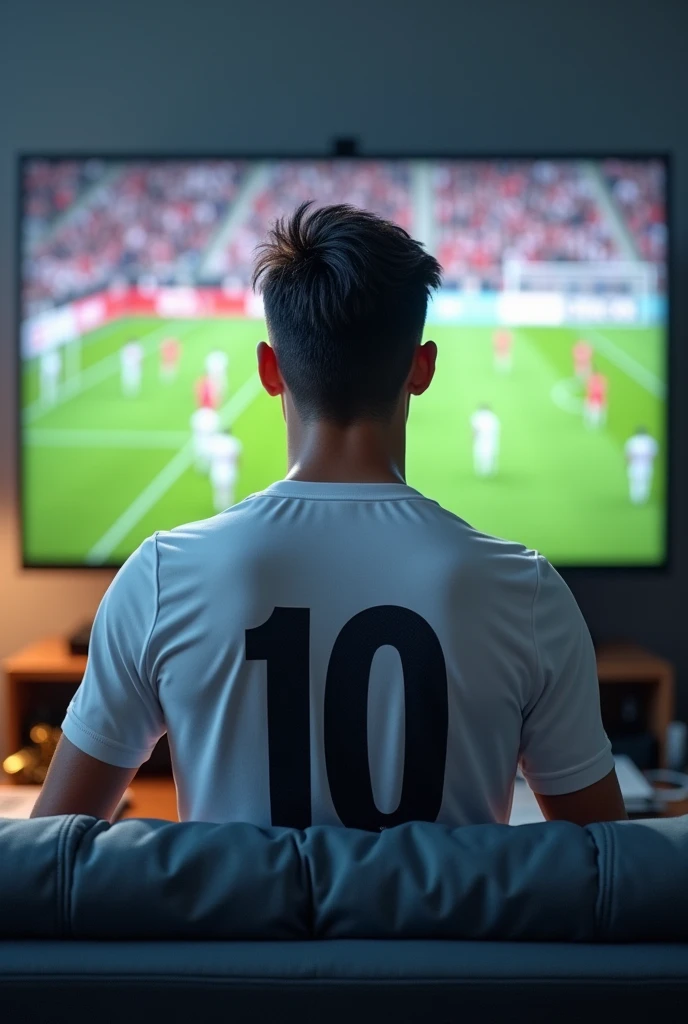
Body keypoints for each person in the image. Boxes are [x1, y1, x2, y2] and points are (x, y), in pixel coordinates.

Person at [32, 201, 626, 830]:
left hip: (233, 932)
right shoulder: (528, 593)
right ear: (422, 370)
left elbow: (47, 858)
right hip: (441, 934)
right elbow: (609, 870)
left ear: (269, 370)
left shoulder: (158, 579)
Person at [208, 429, 242, 511]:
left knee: (219, 490)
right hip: (229, 469)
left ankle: (219, 507)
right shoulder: (233, 442)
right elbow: (237, 457)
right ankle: (228, 507)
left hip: (217, 469)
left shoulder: (215, 443)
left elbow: (209, 457)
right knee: (229, 490)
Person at [625, 427, 659, 505]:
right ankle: (642, 498)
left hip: (635, 464)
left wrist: (627, 463)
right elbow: (654, 455)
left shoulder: (632, 440)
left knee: (635, 481)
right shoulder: (650, 441)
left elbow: (628, 455)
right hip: (646, 464)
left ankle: (635, 498)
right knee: (645, 481)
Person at [471, 404, 501, 477]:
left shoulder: (477, 416)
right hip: (491, 439)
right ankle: (489, 471)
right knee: (490, 453)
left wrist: (472, 438)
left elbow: (475, 430)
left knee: (480, 453)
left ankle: (482, 471)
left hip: (482, 439)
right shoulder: (493, 417)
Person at [190, 406, 220, 472]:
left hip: (201, 439)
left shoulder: (198, 416)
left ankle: (203, 466)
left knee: (202, 452)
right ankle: (205, 466)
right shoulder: (210, 417)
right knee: (206, 452)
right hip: (206, 439)